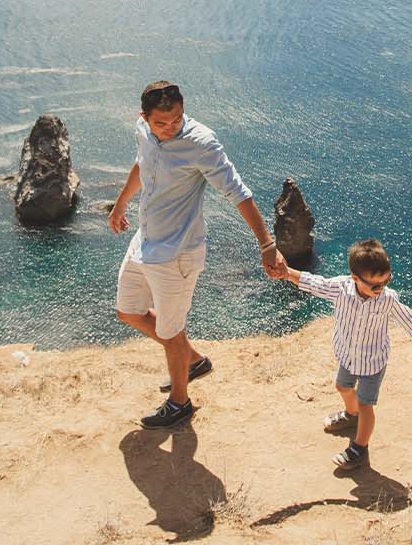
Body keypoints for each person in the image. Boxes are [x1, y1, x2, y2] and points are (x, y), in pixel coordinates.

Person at [109, 81, 287, 430]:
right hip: (145, 241)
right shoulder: (144, 132)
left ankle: (180, 402)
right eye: (161, 122)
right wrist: (120, 203)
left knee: (171, 331)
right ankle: (193, 362)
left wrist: (267, 246)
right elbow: (142, 165)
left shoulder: (201, 142)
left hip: (177, 253)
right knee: (128, 311)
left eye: (176, 119)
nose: (170, 127)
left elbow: (239, 193)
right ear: (144, 117)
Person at [276, 239, 412, 470]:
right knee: (342, 387)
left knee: (367, 405)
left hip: (373, 361)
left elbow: (404, 315)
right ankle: (350, 415)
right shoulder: (341, 288)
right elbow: (314, 282)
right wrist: (287, 273)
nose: (381, 288)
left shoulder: (387, 298)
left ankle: (359, 448)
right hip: (348, 354)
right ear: (355, 278)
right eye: (375, 285)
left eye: (386, 281)